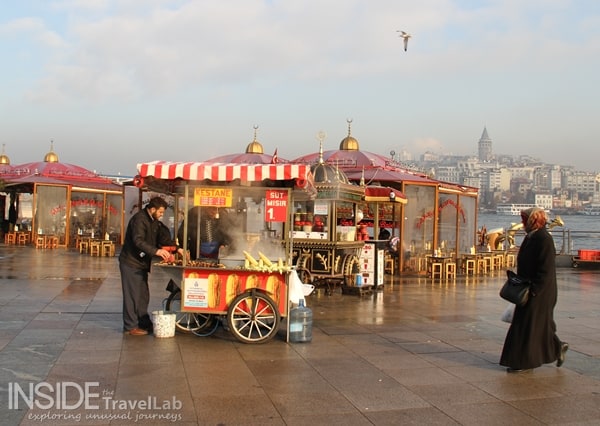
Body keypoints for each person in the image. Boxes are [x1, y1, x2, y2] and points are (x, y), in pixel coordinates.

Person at [499, 207, 569, 372]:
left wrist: (535, 290)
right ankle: (557, 348)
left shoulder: (544, 239)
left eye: (525, 220)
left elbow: (546, 270)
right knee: (537, 325)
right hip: (530, 288)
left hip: (540, 291)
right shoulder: (532, 237)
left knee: (528, 326)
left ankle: (522, 362)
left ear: (533, 221)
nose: (522, 223)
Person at [119, 197, 185, 336]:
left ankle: (143, 322)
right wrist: (156, 251)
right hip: (131, 262)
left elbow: (163, 239)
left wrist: (177, 248)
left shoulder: (154, 222)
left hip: (142, 263)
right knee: (132, 295)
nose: (162, 215)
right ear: (153, 209)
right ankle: (130, 326)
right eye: (160, 212)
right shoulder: (139, 220)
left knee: (143, 295)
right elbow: (138, 241)